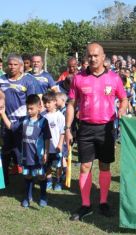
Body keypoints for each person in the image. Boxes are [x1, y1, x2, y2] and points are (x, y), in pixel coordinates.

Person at [65, 42, 128, 221]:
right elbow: (71, 104)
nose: (92, 58)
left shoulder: (114, 78)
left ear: (103, 56)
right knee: (85, 166)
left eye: (96, 55)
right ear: (86, 57)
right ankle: (86, 205)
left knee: (104, 165)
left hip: (107, 128)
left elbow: (123, 99)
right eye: (89, 55)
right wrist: (67, 129)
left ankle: (103, 201)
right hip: (85, 127)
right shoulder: (78, 78)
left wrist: (122, 110)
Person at [0, 94, 51, 207]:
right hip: (26, 155)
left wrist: (46, 153)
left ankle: (43, 196)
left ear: (39, 107)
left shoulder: (44, 122)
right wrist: (2, 113)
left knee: (41, 176)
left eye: (31, 108)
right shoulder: (23, 120)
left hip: (38, 156)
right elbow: (10, 127)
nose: (29, 111)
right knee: (27, 176)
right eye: (27, 108)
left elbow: (47, 138)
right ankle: (27, 197)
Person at [0, 54, 37, 185]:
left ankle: (28, 183)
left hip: (22, 123)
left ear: (21, 66)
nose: (12, 67)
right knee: (5, 151)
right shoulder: (1, 79)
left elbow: (33, 103)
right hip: (5, 122)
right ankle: (3, 181)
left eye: (15, 64)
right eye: (10, 64)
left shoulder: (28, 81)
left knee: (22, 153)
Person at [42, 92, 65, 191]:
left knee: (58, 166)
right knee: (47, 165)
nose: (46, 105)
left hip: (56, 146)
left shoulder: (59, 116)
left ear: (55, 102)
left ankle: (59, 181)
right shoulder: (43, 115)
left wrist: (60, 144)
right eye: (45, 102)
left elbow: (62, 132)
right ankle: (49, 181)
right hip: (46, 147)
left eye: (49, 102)